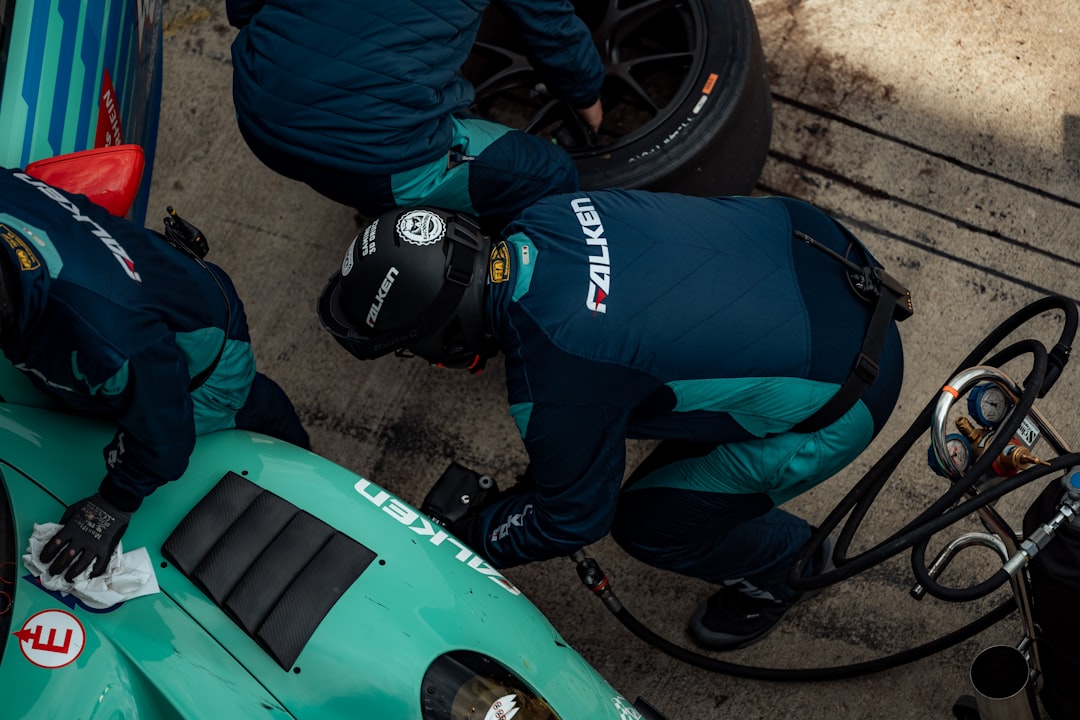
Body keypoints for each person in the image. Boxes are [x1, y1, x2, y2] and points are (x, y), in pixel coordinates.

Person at [316, 190, 910, 651]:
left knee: (647, 524)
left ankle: (788, 564)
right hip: (838, 262)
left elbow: (573, 520)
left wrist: (471, 541)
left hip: (849, 389)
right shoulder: (546, 215)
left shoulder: (552, 382)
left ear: (445, 337)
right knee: (640, 376)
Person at [0, 167, 310, 581]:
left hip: (200, 362)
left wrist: (111, 505)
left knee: (248, 428)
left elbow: (166, 437)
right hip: (131, 305)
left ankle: (303, 473)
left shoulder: (109, 341)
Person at [227, 0, 605, 224]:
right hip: (381, 155)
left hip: (257, 112)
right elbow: (553, 27)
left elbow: (244, 8)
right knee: (552, 173)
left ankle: (381, 203)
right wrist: (587, 95)